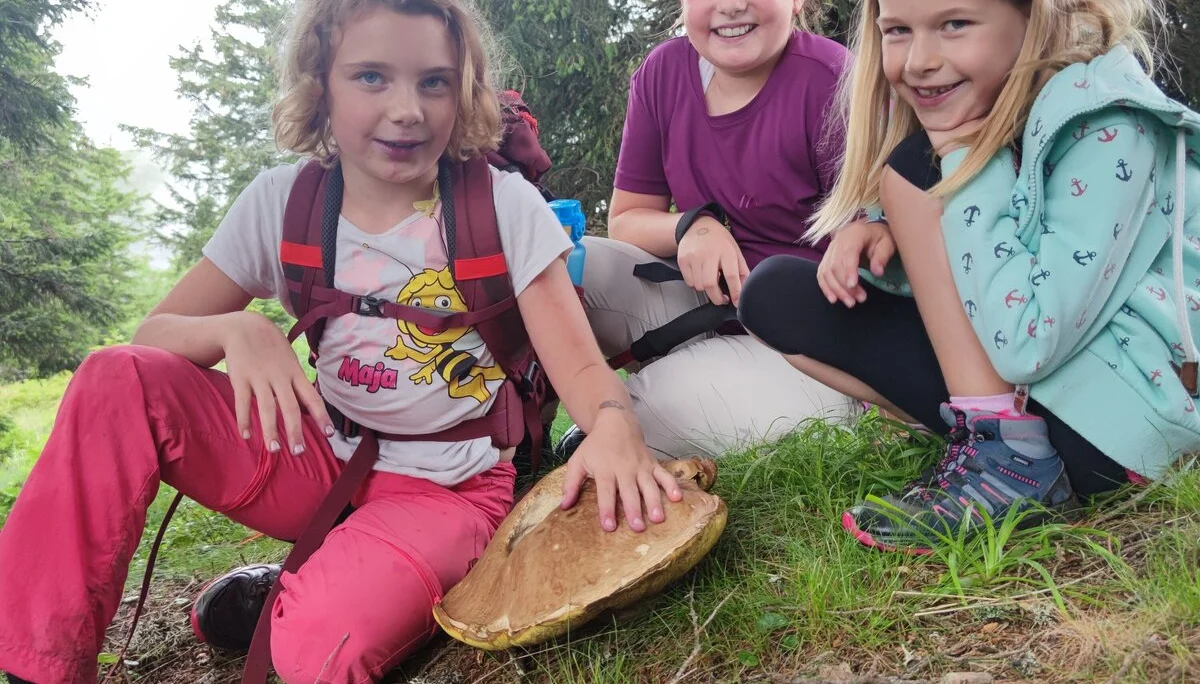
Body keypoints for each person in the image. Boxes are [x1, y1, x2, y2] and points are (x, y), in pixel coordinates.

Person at [0, 1, 683, 682]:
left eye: (435, 81)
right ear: (319, 82)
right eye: (371, 77)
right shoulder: (282, 202)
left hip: (450, 489)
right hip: (320, 458)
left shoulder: (502, 207)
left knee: (317, 650)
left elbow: (585, 376)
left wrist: (615, 425)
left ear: (465, 89)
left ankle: (338, 583)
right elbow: (148, 342)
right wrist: (236, 328)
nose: (408, 108)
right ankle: (41, 669)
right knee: (114, 378)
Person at [739, 0, 1200, 554]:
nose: (920, 61)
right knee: (777, 295)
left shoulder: (1110, 125)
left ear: (1037, 15)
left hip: (1119, 426)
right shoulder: (991, 104)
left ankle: (1012, 464)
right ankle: (986, 440)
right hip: (1051, 391)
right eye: (899, 32)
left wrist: (958, 162)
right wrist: (898, 231)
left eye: (955, 24)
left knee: (916, 167)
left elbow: (1029, 339)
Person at [564, 0, 861, 460]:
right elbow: (626, 220)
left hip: (810, 352)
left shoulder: (833, 81)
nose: (731, 6)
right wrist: (693, 225)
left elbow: (877, 255)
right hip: (705, 305)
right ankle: (521, 428)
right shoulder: (663, 72)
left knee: (654, 406)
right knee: (566, 272)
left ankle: (631, 418)